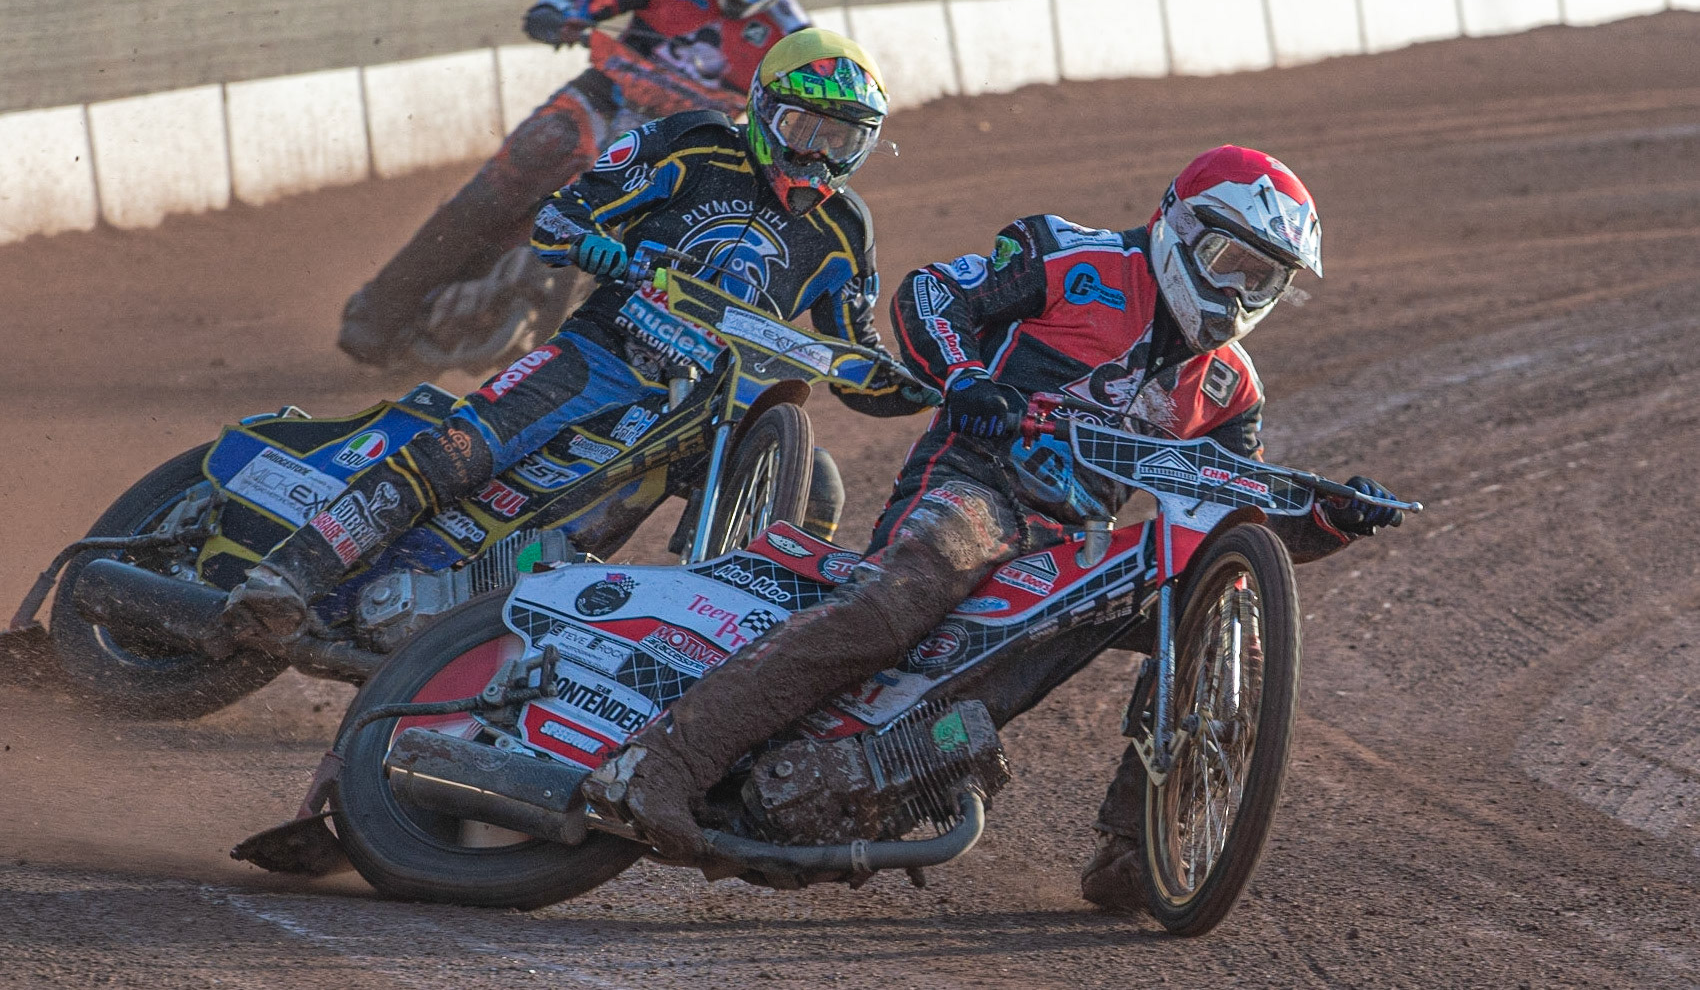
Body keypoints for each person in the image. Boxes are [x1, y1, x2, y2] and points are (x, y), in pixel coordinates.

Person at [581, 146, 1406, 910]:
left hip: (1073, 547)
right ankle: (665, 758)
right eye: (1232, 264)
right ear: (1181, 228)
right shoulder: (1076, 260)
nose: (1239, 295)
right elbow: (931, 294)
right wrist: (968, 376)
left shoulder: (1229, 387)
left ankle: (1138, 845)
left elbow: (1233, 521)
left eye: (1265, 280)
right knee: (893, 606)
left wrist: (1327, 519)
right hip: (974, 484)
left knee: (1222, 626)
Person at [213, 28, 920, 656]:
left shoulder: (844, 232)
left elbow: (860, 361)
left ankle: (754, 655)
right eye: (806, 128)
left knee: (813, 480)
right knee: (464, 447)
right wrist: (597, 246)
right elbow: (563, 214)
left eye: (843, 140)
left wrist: (941, 383)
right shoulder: (695, 144)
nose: (819, 155)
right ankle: (288, 572)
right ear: (765, 108)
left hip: (710, 413)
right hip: (606, 352)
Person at [338, 0, 817, 371]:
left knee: (672, 244)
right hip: (602, 100)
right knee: (510, 175)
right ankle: (377, 314)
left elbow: (808, 105)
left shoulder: (793, 35)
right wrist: (559, 11)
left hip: (682, 139)